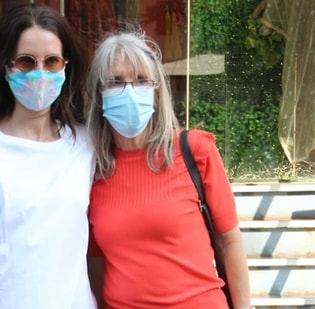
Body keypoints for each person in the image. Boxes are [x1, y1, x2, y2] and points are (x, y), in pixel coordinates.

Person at [0, 3, 96, 309]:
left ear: (66, 67)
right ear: (6, 67)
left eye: (51, 62)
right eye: (26, 61)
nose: (40, 72)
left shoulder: (87, 145)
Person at [85, 30, 253, 309]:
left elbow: (229, 243)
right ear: (99, 94)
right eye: (115, 81)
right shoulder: (93, 169)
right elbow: (95, 261)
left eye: (140, 80)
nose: (129, 90)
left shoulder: (195, 152)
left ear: (156, 91)